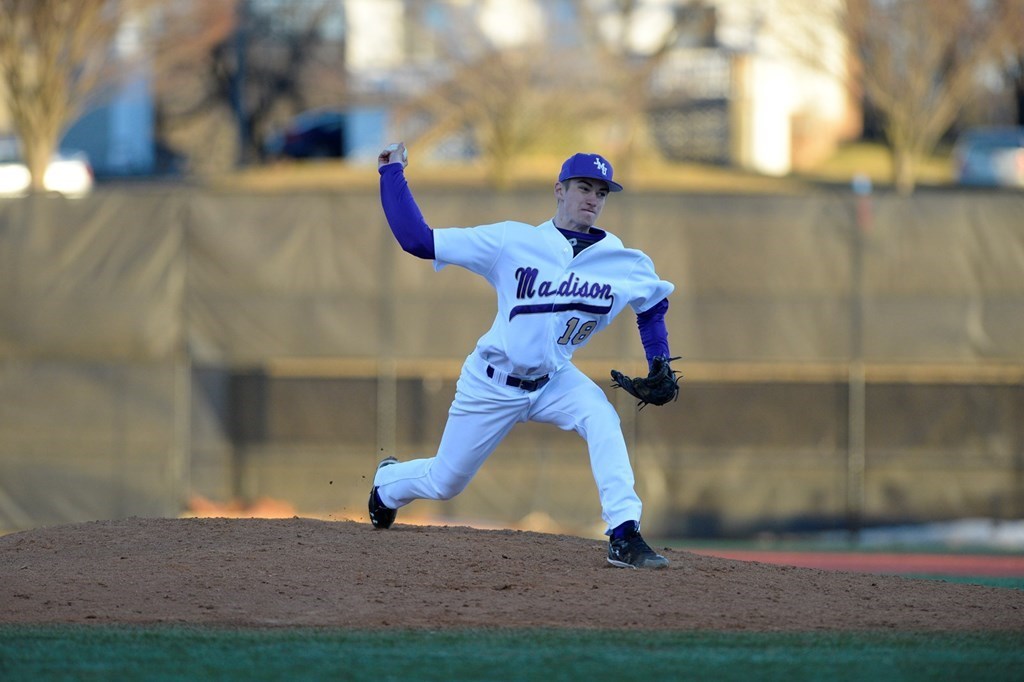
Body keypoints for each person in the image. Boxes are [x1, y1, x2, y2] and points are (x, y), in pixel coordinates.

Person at [369, 142, 677, 569]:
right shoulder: (512, 241)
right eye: (583, 187)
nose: (592, 198)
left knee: (601, 416)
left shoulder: (623, 261)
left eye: (601, 192)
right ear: (559, 190)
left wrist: (659, 361)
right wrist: (392, 173)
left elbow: (653, 305)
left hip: (554, 380)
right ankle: (387, 483)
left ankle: (624, 533)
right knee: (445, 482)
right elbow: (418, 241)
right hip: (492, 381)